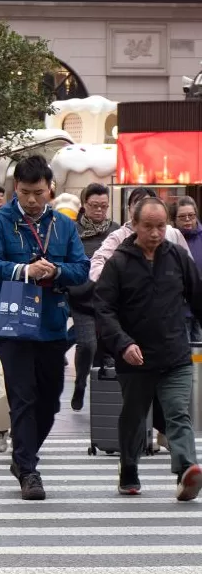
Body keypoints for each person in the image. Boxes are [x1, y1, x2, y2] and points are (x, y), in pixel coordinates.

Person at [0, 155, 89, 501]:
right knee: (23, 396)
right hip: (13, 322)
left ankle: (23, 454)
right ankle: (28, 469)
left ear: (49, 189)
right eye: (25, 192)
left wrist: (55, 271)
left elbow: (81, 268)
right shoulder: (0, 222)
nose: (31, 199)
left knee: (50, 399)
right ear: (16, 189)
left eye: (38, 192)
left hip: (53, 322)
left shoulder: (64, 225)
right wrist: (25, 271)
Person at [95, 197, 202, 501]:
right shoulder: (118, 262)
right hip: (135, 357)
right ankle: (129, 469)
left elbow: (198, 298)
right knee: (133, 415)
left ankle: (186, 470)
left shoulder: (178, 256)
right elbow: (103, 309)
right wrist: (123, 343)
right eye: (148, 227)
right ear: (134, 224)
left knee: (178, 412)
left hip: (175, 354)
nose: (155, 233)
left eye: (160, 226)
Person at [67, 183, 119, 412]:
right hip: (82, 300)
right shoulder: (73, 232)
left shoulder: (116, 231)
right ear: (84, 205)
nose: (99, 211)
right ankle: (80, 384)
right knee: (87, 345)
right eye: (94, 206)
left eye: (104, 206)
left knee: (110, 349)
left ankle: (107, 392)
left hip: (109, 301)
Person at [174, 197, 202, 341]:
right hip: (180, 311)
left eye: (191, 215)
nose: (187, 220)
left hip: (200, 309)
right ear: (175, 219)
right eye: (182, 216)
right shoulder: (171, 239)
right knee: (185, 353)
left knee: (200, 355)